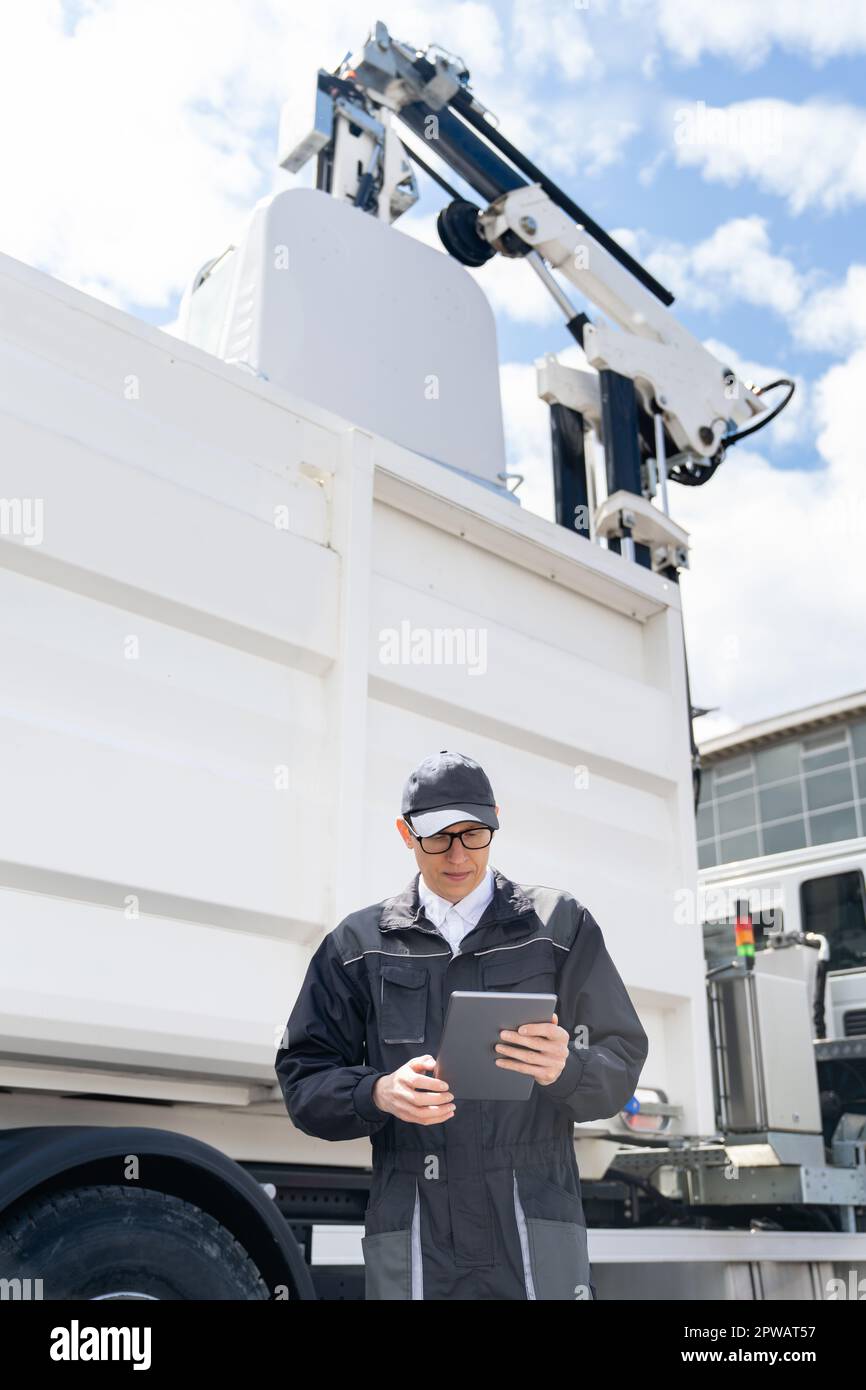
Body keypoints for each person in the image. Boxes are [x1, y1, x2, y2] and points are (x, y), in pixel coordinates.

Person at [274, 749, 649, 1300]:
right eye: (437, 837)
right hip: (415, 1218)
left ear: (495, 822)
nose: (457, 854)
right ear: (406, 834)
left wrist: (566, 1068)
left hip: (529, 1213)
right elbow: (304, 1078)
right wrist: (377, 1092)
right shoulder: (358, 945)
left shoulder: (558, 927)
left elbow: (622, 1057)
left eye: (473, 834)